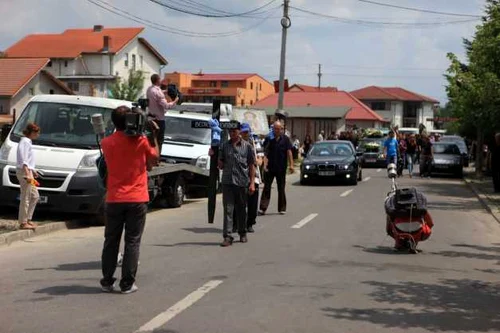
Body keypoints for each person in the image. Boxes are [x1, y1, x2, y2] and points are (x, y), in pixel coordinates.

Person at [100, 106, 160, 294]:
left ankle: (107, 280)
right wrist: (153, 135)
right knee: (132, 241)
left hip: (114, 197)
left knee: (111, 240)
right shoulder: (141, 141)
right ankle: (127, 284)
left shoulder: (106, 142)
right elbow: (155, 159)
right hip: (136, 197)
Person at [218, 124, 256, 247]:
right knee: (228, 210)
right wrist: (214, 154)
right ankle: (228, 236)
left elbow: (251, 166)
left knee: (241, 209)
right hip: (228, 182)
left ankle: (242, 232)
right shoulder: (224, 146)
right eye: (230, 131)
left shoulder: (247, 147)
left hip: (241, 183)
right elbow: (221, 165)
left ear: (239, 132)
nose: (232, 133)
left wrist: (252, 183)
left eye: (234, 131)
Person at [259, 121, 294, 215]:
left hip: (281, 168)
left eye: (279, 129)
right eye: (276, 128)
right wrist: (265, 165)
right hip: (270, 168)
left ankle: (282, 208)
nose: (277, 130)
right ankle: (263, 208)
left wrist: (291, 165)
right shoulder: (269, 139)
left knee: (281, 188)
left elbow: (289, 152)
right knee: (267, 187)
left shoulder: (285, 139)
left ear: (282, 129)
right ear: (273, 129)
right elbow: (265, 153)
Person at [16, 123, 41, 230]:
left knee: (35, 196)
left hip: (28, 171)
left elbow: (28, 160)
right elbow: (23, 159)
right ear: (31, 132)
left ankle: (28, 219)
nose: (38, 135)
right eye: (36, 132)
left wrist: (32, 171)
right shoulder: (25, 142)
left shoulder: (28, 142)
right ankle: (23, 222)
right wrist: (27, 173)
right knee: (26, 197)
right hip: (24, 172)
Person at [146, 74, 178, 151]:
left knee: (150, 140)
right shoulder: (158, 92)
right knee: (159, 141)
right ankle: (157, 159)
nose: (161, 81)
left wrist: (165, 91)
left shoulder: (149, 89)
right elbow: (166, 106)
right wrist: (175, 100)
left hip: (150, 118)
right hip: (159, 120)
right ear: (157, 80)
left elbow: (156, 94)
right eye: (160, 79)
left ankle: (151, 157)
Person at [239, 123, 261, 233]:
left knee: (252, 204)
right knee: (240, 203)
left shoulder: (255, 142)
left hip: (254, 177)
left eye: (246, 132)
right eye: (243, 132)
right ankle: (237, 224)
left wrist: (258, 161)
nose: (245, 134)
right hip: (240, 177)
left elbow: (261, 158)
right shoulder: (237, 143)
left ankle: (250, 223)